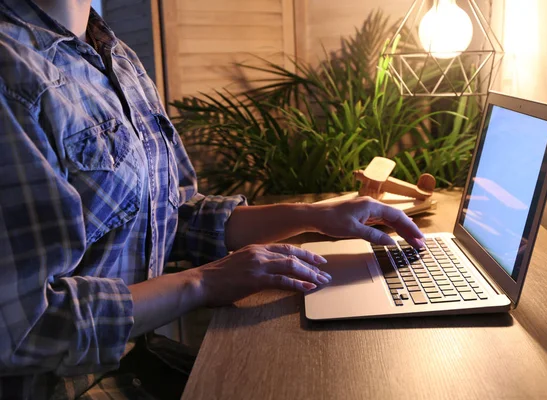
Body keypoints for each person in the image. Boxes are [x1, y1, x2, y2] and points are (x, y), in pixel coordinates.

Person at [0, 0, 425, 398]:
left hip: (138, 361)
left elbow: (173, 216)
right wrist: (206, 281)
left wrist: (313, 216)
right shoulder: (11, 69)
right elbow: (23, 326)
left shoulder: (113, 53)